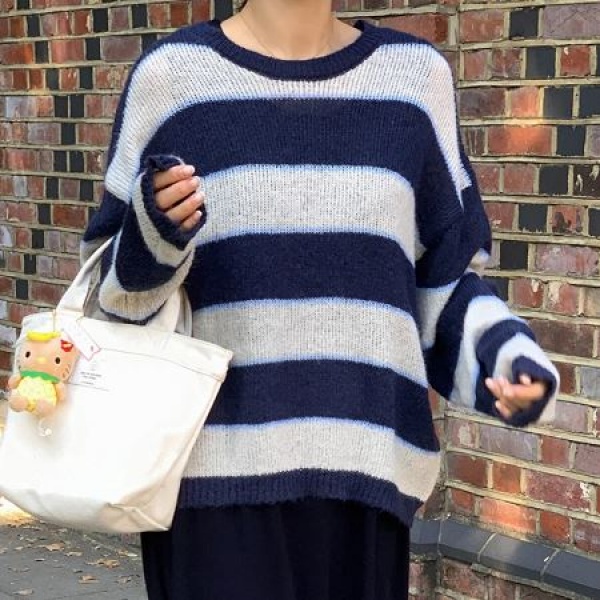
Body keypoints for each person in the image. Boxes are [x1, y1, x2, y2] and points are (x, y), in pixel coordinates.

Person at [81, 0, 559, 598]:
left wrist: (505, 359)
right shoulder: (172, 77)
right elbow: (109, 304)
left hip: (366, 478)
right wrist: (154, 237)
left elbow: (440, 282)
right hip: (211, 487)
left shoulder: (415, 80)